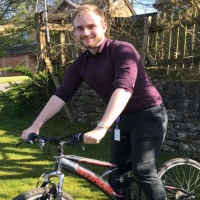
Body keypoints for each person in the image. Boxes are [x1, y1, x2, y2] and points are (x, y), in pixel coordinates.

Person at [21, 4, 168, 200]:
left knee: (143, 170)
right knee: (117, 174)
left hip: (148, 115)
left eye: (91, 26)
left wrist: (101, 127)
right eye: (80, 28)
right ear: (74, 31)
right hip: (121, 119)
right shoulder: (80, 63)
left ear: (104, 26)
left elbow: (123, 88)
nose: (86, 32)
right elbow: (61, 94)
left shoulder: (123, 50)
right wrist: (36, 125)